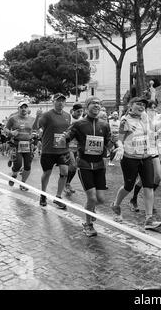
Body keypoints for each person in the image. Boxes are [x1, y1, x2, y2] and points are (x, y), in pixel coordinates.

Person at [62, 97, 112, 237]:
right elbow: (68, 136)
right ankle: (88, 224)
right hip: (84, 165)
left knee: (100, 199)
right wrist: (63, 141)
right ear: (86, 106)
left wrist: (116, 148)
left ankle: (91, 209)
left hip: (99, 166)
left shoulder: (104, 124)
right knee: (92, 197)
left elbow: (108, 142)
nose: (96, 105)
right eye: (93, 103)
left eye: (98, 103)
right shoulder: (79, 124)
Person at [111, 97, 161, 230]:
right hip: (130, 158)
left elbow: (150, 131)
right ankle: (116, 205)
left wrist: (157, 134)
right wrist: (121, 147)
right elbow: (118, 139)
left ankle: (149, 219)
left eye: (143, 105)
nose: (141, 107)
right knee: (128, 187)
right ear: (130, 105)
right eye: (138, 104)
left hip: (146, 157)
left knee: (149, 186)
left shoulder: (144, 117)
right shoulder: (125, 120)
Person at [34, 93, 72, 209]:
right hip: (49, 150)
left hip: (63, 149)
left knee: (65, 172)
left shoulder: (67, 115)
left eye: (63, 101)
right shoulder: (47, 115)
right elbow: (35, 128)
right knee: (47, 173)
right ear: (53, 102)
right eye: (58, 100)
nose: (60, 103)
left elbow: (68, 130)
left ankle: (58, 197)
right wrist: (37, 117)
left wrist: (68, 136)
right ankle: (43, 195)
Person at [5, 100, 36, 191]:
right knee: (18, 164)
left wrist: (36, 133)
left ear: (28, 108)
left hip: (28, 144)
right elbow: (5, 129)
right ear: (18, 108)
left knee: (28, 166)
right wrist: (11, 132)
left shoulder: (32, 119)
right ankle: (14, 174)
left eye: (25, 107)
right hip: (16, 143)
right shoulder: (13, 118)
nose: (23, 109)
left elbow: (35, 129)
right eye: (21, 107)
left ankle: (23, 183)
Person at [65, 103, 84, 196]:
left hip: (78, 146)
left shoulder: (82, 120)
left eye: (81, 111)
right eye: (78, 111)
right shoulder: (68, 119)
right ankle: (66, 184)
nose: (79, 113)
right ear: (73, 111)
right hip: (68, 146)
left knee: (74, 167)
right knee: (73, 164)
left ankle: (67, 183)